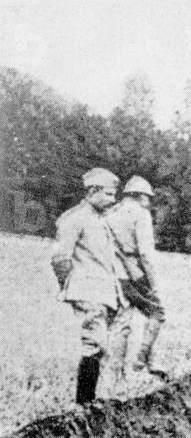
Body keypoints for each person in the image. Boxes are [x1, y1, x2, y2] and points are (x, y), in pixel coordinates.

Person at [50, 168, 125, 404]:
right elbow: (60, 258)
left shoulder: (101, 220)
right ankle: (84, 404)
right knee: (95, 344)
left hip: (104, 294)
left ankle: (90, 402)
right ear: (93, 191)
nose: (113, 200)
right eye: (109, 194)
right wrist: (73, 288)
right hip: (88, 292)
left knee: (101, 347)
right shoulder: (75, 219)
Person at [106, 175, 166, 382]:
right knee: (157, 313)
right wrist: (154, 284)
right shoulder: (141, 214)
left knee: (121, 321)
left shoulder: (111, 212)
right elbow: (146, 255)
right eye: (148, 197)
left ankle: (114, 375)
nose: (149, 202)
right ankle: (142, 361)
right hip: (133, 273)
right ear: (140, 195)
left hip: (111, 273)